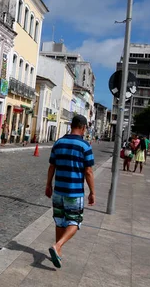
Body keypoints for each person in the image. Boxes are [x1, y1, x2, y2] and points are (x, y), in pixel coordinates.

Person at [45, 115, 95, 269]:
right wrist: (92, 192)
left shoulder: (58, 143)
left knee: (60, 221)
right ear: (83, 127)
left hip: (59, 190)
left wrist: (48, 185)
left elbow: (52, 166)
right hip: (74, 192)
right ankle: (58, 245)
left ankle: (58, 252)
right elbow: (88, 171)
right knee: (74, 222)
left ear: (71, 125)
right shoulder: (85, 146)